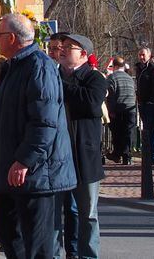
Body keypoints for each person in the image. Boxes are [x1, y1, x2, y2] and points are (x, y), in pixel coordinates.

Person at [0, 14, 76, 258]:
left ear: (11, 38)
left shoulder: (39, 66)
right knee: (11, 236)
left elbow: (44, 122)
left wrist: (25, 159)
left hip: (35, 175)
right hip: (12, 171)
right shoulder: (14, 66)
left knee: (38, 245)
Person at [59, 33, 107, 259]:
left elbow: (90, 102)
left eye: (70, 47)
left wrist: (64, 88)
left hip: (85, 156)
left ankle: (88, 255)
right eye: (63, 46)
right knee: (61, 212)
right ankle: (63, 253)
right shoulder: (54, 75)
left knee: (87, 212)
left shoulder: (95, 78)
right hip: (60, 155)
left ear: (84, 55)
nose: (63, 49)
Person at [48, 33, 79, 259]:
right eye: (51, 48)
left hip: (76, 149)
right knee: (54, 210)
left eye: (59, 48)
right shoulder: (49, 73)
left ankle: (75, 251)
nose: (55, 52)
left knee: (74, 208)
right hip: (55, 149)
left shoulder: (75, 76)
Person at [105, 56, 137, 165]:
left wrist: (111, 110)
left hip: (118, 109)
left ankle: (117, 154)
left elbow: (110, 95)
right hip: (131, 108)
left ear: (115, 66)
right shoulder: (129, 78)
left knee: (117, 133)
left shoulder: (111, 77)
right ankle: (127, 156)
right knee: (128, 132)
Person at [135, 47, 154, 165]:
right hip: (142, 103)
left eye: (143, 55)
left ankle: (153, 156)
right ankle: (147, 154)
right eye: (140, 55)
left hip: (150, 104)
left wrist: (152, 100)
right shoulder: (139, 68)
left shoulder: (153, 68)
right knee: (146, 130)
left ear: (149, 55)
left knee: (151, 131)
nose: (141, 57)